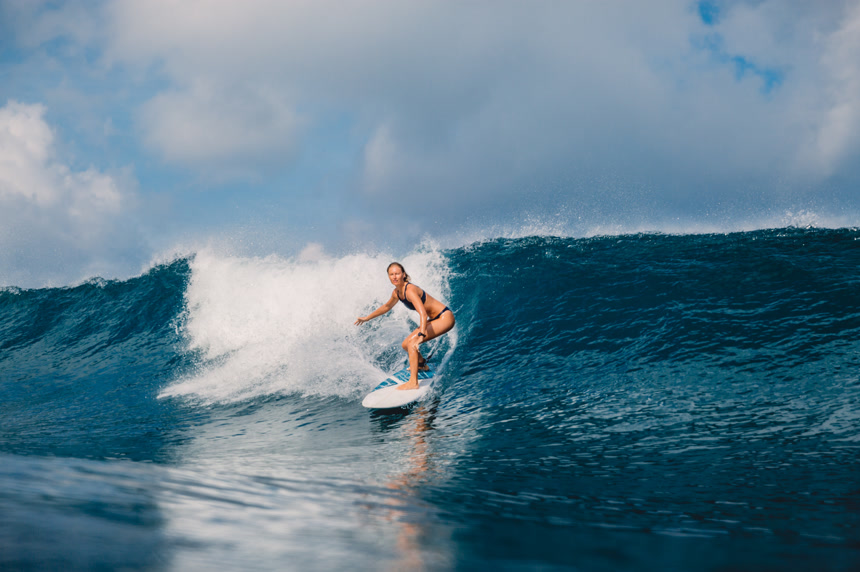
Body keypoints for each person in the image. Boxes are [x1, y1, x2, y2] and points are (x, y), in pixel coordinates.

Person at [355, 262, 455, 390]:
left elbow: (423, 314)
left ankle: (413, 382)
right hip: (435, 318)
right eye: (391, 274)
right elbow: (386, 307)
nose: (394, 277)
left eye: (397, 273)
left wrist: (422, 334)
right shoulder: (397, 293)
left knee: (413, 343)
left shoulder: (410, 290)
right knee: (405, 344)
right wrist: (367, 318)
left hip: (444, 317)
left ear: (403, 275)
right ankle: (422, 364)